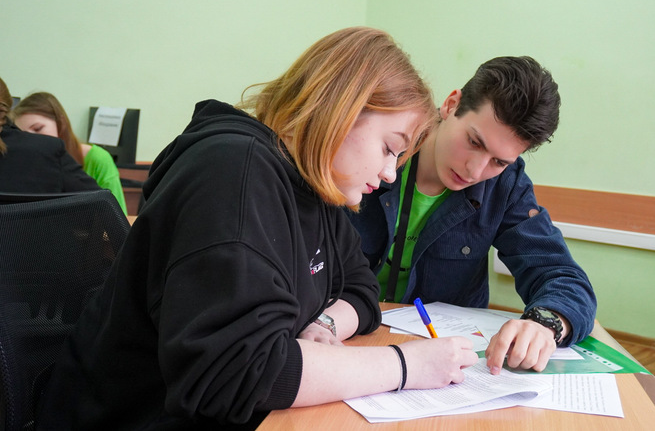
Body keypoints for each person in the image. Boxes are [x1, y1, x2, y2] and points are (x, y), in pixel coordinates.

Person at [35, 27, 479, 430]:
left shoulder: (315, 187)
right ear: (342, 109)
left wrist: (324, 323)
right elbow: (236, 374)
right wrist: (405, 365)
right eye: (389, 148)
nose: (389, 173)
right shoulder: (235, 174)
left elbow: (360, 287)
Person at [348, 56, 597, 375]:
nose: (475, 171)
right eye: (474, 142)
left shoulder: (506, 186)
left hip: (441, 363)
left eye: (499, 162)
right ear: (451, 105)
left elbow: (561, 275)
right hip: (343, 337)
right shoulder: (375, 144)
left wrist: (545, 323)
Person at [12, 92, 128, 214]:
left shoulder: (98, 158)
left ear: (61, 123)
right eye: (24, 136)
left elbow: (118, 215)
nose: (32, 140)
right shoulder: (28, 166)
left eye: (37, 129)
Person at [0, 76, 100, 193]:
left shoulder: (95, 156)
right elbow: (102, 202)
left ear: (61, 123)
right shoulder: (48, 151)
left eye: (38, 128)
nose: (33, 137)